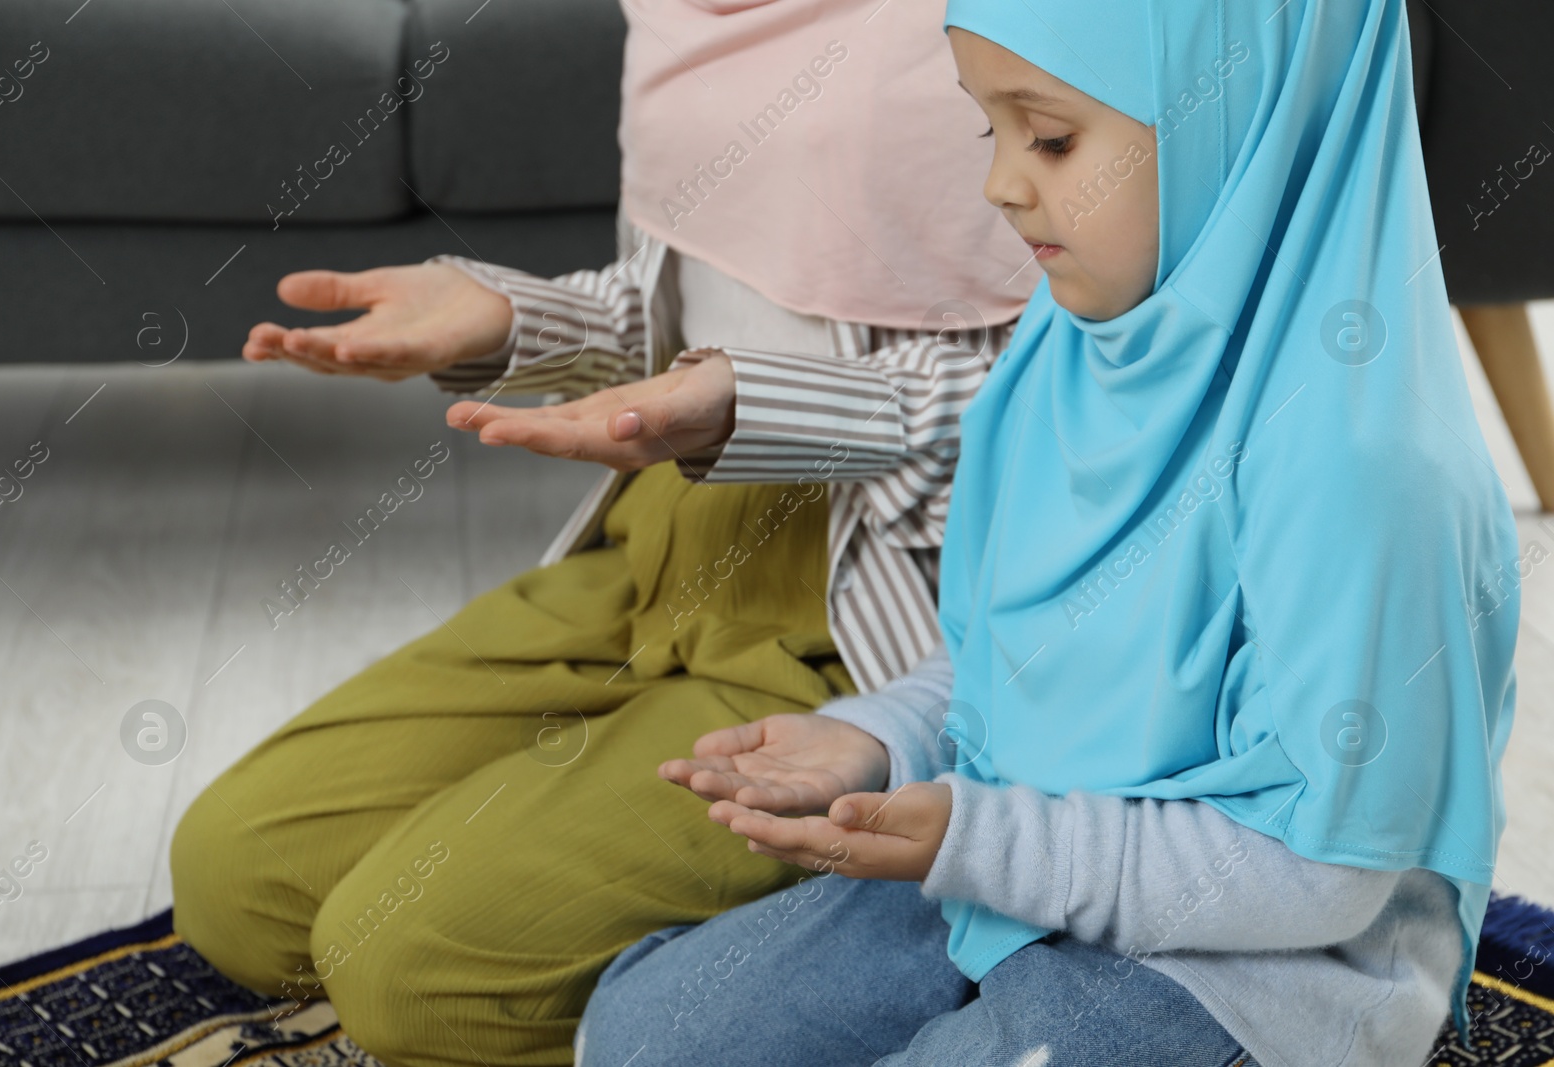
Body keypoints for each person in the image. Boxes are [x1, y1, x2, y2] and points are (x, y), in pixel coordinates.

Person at [574, 1, 1521, 1064]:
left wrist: (982, 840)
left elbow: (1318, 874)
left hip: (1262, 967)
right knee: (646, 1031)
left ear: (1246, 119)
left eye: (1053, 137)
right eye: (992, 130)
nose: (1002, 184)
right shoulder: (1066, 352)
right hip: (1022, 863)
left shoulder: (1363, 470)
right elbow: (1028, 659)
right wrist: (883, 735)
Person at [167, 1, 1037, 1064]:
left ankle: (848, 965)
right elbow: (678, 307)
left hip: (876, 603)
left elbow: (1092, 394)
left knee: (414, 978)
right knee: (242, 882)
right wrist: (508, 318)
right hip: (659, 534)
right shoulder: (681, 14)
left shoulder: (1017, 36)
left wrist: (748, 408)